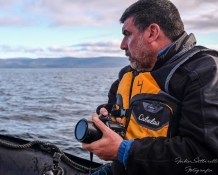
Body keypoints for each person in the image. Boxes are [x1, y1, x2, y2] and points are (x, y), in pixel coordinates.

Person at [82, 0, 218, 175]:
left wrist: (124, 151)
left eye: (127, 34)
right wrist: (107, 113)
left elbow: (207, 157)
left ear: (152, 32)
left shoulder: (205, 73)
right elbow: (116, 108)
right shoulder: (129, 73)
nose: (122, 45)